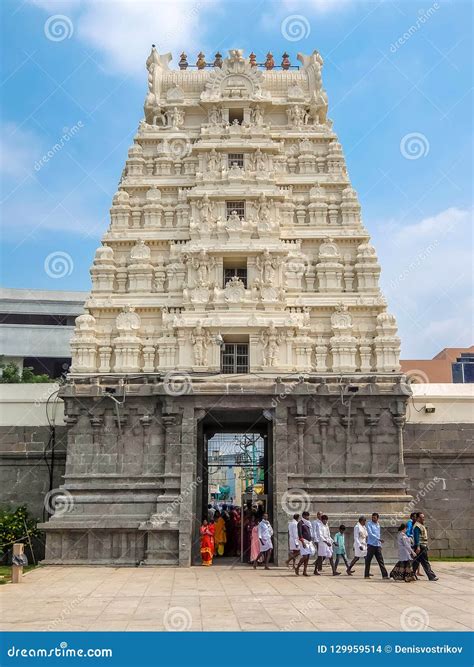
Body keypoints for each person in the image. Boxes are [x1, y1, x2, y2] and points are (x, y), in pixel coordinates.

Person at [412, 512, 438, 581]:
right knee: (425, 562)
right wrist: (418, 546)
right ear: (417, 518)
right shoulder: (417, 526)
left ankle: (411, 575)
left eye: (423, 517)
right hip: (420, 546)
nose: (423, 519)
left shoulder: (421, 525)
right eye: (421, 517)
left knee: (416, 562)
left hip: (422, 545)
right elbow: (416, 537)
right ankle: (431, 576)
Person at [364, 512, 388, 579]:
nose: (373, 518)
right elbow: (370, 534)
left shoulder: (378, 524)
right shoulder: (369, 524)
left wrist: (380, 544)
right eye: (372, 517)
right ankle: (366, 575)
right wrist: (379, 539)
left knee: (381, 560)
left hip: (377, 545)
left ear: (377, 518)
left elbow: (378, 534)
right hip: (371, 545)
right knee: (368, 560)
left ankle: (385, 575)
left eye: (374, 517)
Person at [295, 511, 313, 576]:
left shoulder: (308, 523)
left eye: (308, 516)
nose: (308, 517)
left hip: (308, 541)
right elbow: (300, 533)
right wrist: (302, 542)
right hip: (303, 541)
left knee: (307, 556)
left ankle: (304, 571)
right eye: (306, 516)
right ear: (303, 516)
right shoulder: (300, 523)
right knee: (305, 556)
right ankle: (297, 568)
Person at [406, 511, 422, 577]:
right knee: (413, 557)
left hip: (414, 542)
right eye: (415, 517)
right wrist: (412, 535)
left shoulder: (414, 523)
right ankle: (412, 572)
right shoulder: (410, 523)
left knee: (417, 557)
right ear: (412, 517)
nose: (416, 518)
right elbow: (407, 532)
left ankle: (417, 571)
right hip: (411, 542)